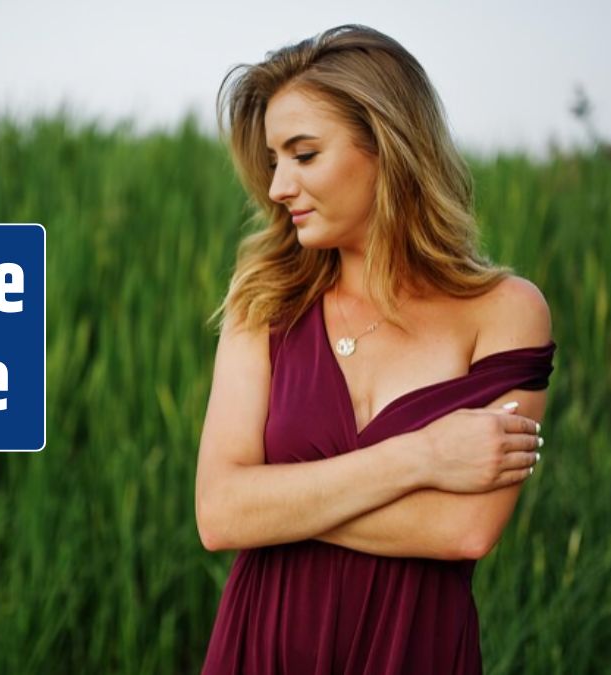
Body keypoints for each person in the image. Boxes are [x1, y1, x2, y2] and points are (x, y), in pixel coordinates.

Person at [195, 25, 556, 674]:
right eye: (274, 160)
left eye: (303, 155)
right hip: (262, 647)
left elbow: (464, 530)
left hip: (410, 650)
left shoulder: (506, 311)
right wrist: (425, 455)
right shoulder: (266, 301)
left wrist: (277, 507)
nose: (277, 186)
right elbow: (220, 514)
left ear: (387, 147)